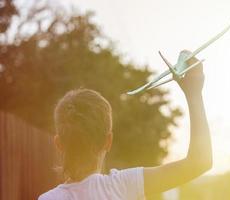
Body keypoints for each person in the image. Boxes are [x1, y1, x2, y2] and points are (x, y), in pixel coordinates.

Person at [38, 51, 212, 200]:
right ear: (108, 141)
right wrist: (194, 93)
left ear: (58, 144)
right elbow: (200, 162)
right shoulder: (123, 186)